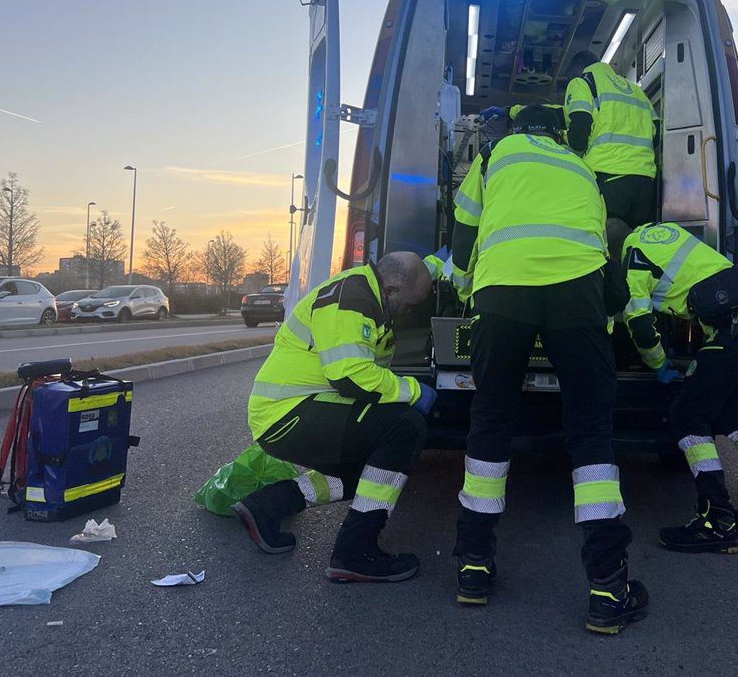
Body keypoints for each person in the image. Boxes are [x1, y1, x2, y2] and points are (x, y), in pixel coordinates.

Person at [450, 105, 648, 635]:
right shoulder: (581, 166)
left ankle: (473, 567)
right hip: (576, 295)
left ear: (517, 129)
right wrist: (607, 313)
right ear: (560, 133)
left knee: (489, 421)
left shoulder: (495, 154)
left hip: (501, 295)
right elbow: (604, 244)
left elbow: (464, 229)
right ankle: (608, 587)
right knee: (591, 433)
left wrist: (466, 291)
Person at [231, 252, 437, 583]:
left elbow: (369, 381)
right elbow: (351, 376)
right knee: (404, 428)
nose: (409, 312)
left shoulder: (369, 296)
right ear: (393, 289)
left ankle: (269, 505)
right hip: (289, 413)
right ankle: (356, 553)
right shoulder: (352, 297)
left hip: (294, 411)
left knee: (373, 474)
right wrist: (414, 391)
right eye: (410, 304)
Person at [608, 219, 738, 553]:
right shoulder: (662, 233)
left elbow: (640, 324)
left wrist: (659, 364)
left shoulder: (631, 261)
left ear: (611, 251)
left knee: (688, 415)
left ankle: (717, 521)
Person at [564, 52, 659, 228]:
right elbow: (657, 132)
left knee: (606, 241)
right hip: (645, 182)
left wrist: (573, 163)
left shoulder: (583, 82)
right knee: (635, 241)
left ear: (578, 68)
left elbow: (580, 128)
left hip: (607, 175)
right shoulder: (636, 90)